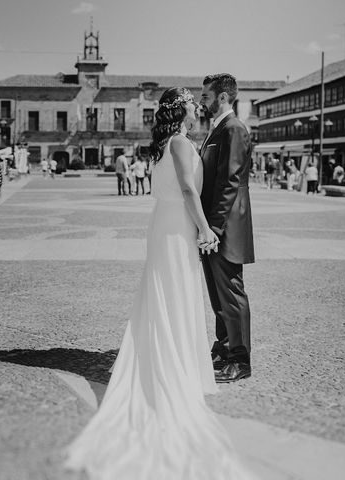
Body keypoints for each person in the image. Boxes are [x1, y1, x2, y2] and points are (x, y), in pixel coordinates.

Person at [65, 87, 254, 479]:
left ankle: (166, 355)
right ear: (180, 109)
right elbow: (188, 188)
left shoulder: (168, 143)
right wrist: (206, 229)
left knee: (165, 293)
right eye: (189, 100)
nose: (195, 104)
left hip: (165, 224)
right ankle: (178, 366)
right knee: (175, 293)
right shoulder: (182, 143)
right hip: (177, 228)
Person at [199, 73, 254, 383]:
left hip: (226, 226)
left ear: (222, 97)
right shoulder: (217, 128)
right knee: (218, 296)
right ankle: (222, 349)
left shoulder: (233, 129)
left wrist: (215, 228)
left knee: (232, 294)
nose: (202, 101)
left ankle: (240, 360)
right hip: (213, 224)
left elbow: (229, 181)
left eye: (206, 96)